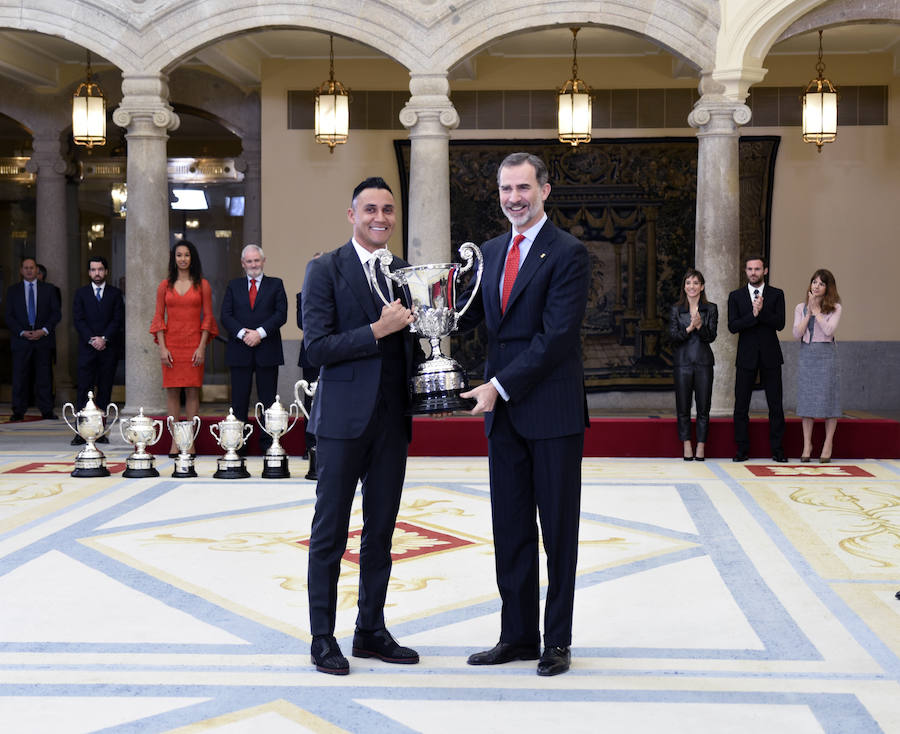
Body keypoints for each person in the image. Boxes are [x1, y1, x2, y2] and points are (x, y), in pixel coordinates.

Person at [458, 152, 590, 677]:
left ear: (545, 191)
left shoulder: (568, 252)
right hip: (505, 417)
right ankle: (516, 635)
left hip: (551, 412)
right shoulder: (489, 252)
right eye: (506, 190)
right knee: (509, 528)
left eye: (523, 188)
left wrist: (498, 386)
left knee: (557, 532)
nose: (514, 198)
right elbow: (478, 322)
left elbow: (557, 337)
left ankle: (556, 640)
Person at [302, 177, 420, 676]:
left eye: (388, 209)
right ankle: (323, 638)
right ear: (352, 214)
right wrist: (377, 330)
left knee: (381, 532)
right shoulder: (325, 268)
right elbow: (316, 348)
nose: (380, 217)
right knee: (330, 533)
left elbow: (416, 343)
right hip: (342, 423)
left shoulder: (403, 272)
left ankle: (370, 629)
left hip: (392, 421)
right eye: (370, 208)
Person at [149, 241, 218, 454]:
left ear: (192, 258)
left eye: (186, 255)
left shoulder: (202, 285)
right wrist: (162, 348)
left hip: (194, 345)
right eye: (179, 255)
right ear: (174, 258)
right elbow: (159, 317)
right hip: (171, 346)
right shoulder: (164, 286)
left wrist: (201, 347)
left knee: (192, 393)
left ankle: (190, 441)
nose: (183, 259)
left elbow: (207, 318)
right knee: (172, 394)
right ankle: (175, 442)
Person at [220, 244, 287, 450]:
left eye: (256, 260)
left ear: (263, 261)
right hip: (240, 351)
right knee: (239, 402)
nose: (253, 264)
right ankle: (238, 445)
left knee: (268, 402)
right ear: (243, 264)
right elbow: (225, 316)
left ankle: (269, 444)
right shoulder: (234, 285)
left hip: (267, 349)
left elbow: (280, 314)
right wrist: (243, 334)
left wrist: (259, 333)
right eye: (249, 261)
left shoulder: (276, 284)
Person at [728, 254, 787, 462]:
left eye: (757, 269)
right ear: (746, 271)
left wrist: (761, 313)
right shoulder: (736, 296)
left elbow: (780, 323)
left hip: (771, 355)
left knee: (775, 405)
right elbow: (733, 326)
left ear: (765, 271)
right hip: (746, 356)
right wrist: (753, 315)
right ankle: (742, 450)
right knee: (741, 405)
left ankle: (778, 450)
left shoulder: (777, 294)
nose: (753, 273)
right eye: (750, 269)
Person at [71, 256, 125, 445]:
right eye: (93, 270)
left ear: (106, 271)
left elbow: (117, 320)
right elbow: (78, 320)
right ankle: (81, 432)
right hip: (87, 349)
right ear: (89, 272)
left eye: (100, 269)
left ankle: (100, 431)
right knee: (84, 391)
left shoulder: (115, 294)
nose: (97, 273)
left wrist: (104, 339)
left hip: (108, 350)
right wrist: (92, 340)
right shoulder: (81, 294)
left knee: (104, 391)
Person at [792, 269, 842, 463]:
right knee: (807, 401)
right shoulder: (800, 308)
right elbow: (797, 333)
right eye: (814, 282)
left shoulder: (835, 307)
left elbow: (829, 331)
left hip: (826, 354)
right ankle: (807, 445)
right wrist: (808, 313)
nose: (816, 286)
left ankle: (828, 444)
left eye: (821, 283)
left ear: (828, 288)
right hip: (807, 354)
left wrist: (818, 312)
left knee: (830, 400)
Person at [668, 268, 718, 461]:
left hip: (704, 363)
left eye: (696, 283)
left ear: (702, 286)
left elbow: (711, 336)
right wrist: (689, 327)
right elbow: (673, 337)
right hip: (682, 363)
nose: (692, 286)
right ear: (684, 286)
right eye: (688, 283)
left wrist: (700, 326)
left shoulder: (710, 308)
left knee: (704, 407)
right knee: (683, 407)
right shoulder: (676, 309)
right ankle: (687, 444)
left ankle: (701, 446)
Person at [5, 257, 61, 421]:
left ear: (37, 270)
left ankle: (47, 410)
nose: (29, 270)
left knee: (44, 376)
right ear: (21, 271)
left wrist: (43, 331)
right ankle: (18, 411)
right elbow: (8, 316)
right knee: (20, 377)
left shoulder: (49, 289)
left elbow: (56, 314)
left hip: (42, 339)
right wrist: (22, 331)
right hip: (21, 339)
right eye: (26, 268)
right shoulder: (13, 291)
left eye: (32, 267)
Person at [296, 253, 322, 471]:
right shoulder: (301, 295)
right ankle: (310, 445)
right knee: (309, 402)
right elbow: (301, 322)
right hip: (311, 354)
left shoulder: (340, 292)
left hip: (336, 352)